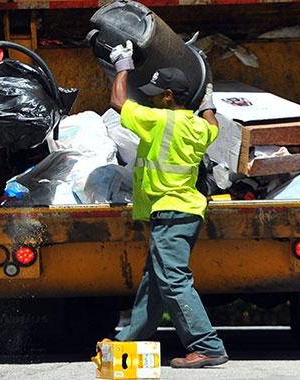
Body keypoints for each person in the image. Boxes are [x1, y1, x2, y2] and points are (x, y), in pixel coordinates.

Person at [107, 41, 228, 368]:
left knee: (172, 279)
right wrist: (208, 105)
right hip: (186, 211)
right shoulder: (199, 128)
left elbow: (118, 101)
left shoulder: (159, 121)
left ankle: (207, 345)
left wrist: (122, 66)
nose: (149, 96)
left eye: (156, 92)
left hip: (172, 211)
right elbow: (213, 127)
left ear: (170, 96)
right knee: (156, 280)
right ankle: (127, 342)